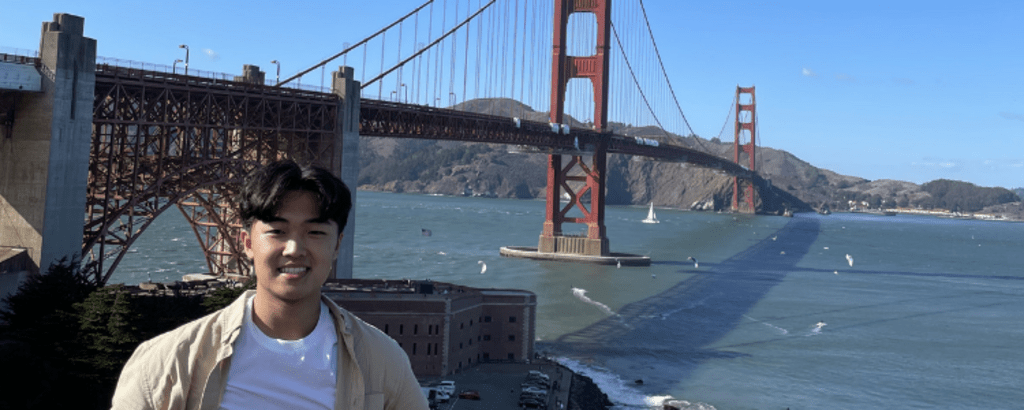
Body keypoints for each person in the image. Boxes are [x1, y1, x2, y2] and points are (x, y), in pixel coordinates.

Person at [112, 160, 428, 410]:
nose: (294, 249)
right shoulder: (170, 360)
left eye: (315, 233)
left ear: (337, 246)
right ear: (247, 242)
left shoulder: (383, 361)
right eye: (277, 231)